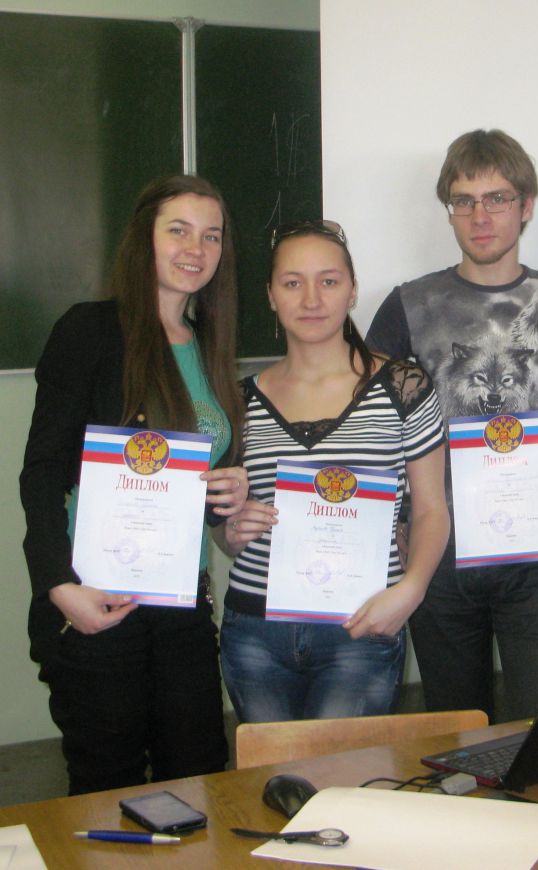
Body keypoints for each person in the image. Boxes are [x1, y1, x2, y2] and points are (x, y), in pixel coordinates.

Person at [20, 175, 248, 794]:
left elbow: (189, 491)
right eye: (178, 230)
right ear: (144, 237)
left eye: (211, 236)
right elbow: (42, 472)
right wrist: (59, 587)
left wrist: (225, 497)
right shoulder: (90, 331)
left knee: (198, 782)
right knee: (106, 790)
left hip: (183, 608)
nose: (195, 249)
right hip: (99, 599)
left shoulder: (209, 346)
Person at [367, 129, 538, 722]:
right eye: (463, 201)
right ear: (448, 210)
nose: (480, 216)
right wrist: (392, 524)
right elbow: (370, 422)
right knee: (456, 738)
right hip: (438, 552)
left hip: (537, 555)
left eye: (497, 198)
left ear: (526, 205)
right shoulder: (409, 304)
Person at [218, 220, 449, 723]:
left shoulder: (404, 387)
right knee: (274, 771)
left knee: (342, 768)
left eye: (328, 281)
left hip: (363, 624)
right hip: (255, 630)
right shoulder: (238, 401)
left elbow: (432, 509)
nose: (311, 299)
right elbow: (225, 530)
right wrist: (231, 531)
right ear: (271, 296)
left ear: (352, 291)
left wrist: (410, 591)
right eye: (292, 282)